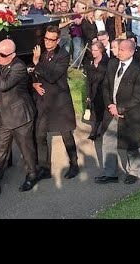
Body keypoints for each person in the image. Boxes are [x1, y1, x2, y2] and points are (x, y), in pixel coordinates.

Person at [0, 39, 38, 194]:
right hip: (3, 115)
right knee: (0, 151)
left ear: (13, 55)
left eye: (2, 54)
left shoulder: (19, 67)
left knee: (26, 149)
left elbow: (4, 84)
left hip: (20, 116)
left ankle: (32, 175)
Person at [30, 26, 79, 180]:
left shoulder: (63, 55)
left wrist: (37, 63)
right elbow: (37, 75)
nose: (47, 42)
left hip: (59, 101)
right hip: (44, 101)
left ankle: (74, 164)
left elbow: (52, 76)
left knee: (66, 134)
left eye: (51, 40)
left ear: (57, 40)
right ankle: (44, 168)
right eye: (45, 38)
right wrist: (34, 83)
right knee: (40, 135)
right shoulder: (43, 54)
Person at [95, 39, 140, 185]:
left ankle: (133, 172)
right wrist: (110, 105)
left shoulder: (139, 70)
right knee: (108, 141)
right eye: (118, 49)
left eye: (122, 50)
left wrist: (120, 108)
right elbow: (105, 86)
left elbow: (138, 96)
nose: (118, 52)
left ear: (131, 52)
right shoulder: (112, 64)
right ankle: (110, 173)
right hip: (111, 111)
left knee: (132, 143)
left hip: (130, 114)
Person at [85, 41, 109, 140]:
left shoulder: (107, 62)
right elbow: (88, 80)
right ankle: (95, 130)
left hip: (104, 91)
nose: (93, 52)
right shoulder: (90, 61)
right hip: (94, 91)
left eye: (95, 50)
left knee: (103, 112)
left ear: (101, 50)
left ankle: (98, 131)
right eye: (92, 50)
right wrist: (88, 94)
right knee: (95, 112)